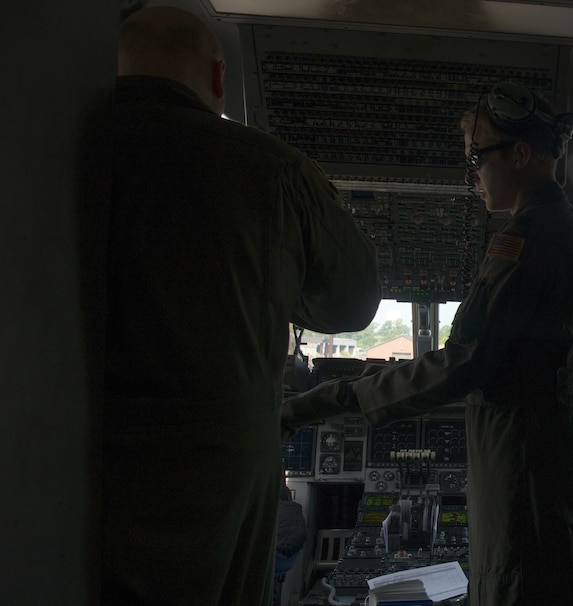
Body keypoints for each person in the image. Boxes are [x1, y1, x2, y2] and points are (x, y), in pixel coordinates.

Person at [283, 81, 573, 605]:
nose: (472, 173)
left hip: (525, 456)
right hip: (542, 446)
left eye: (477, 157)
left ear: (520, 154)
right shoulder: (558, 228)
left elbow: (466, 361)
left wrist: (336, 398)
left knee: (512, 588)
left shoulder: (529, 239)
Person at [102, 6, 381, 605]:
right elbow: (353, 304)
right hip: (219, 482)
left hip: (74, 477)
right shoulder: (271, 168)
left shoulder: (48, 150)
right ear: (219, 80)